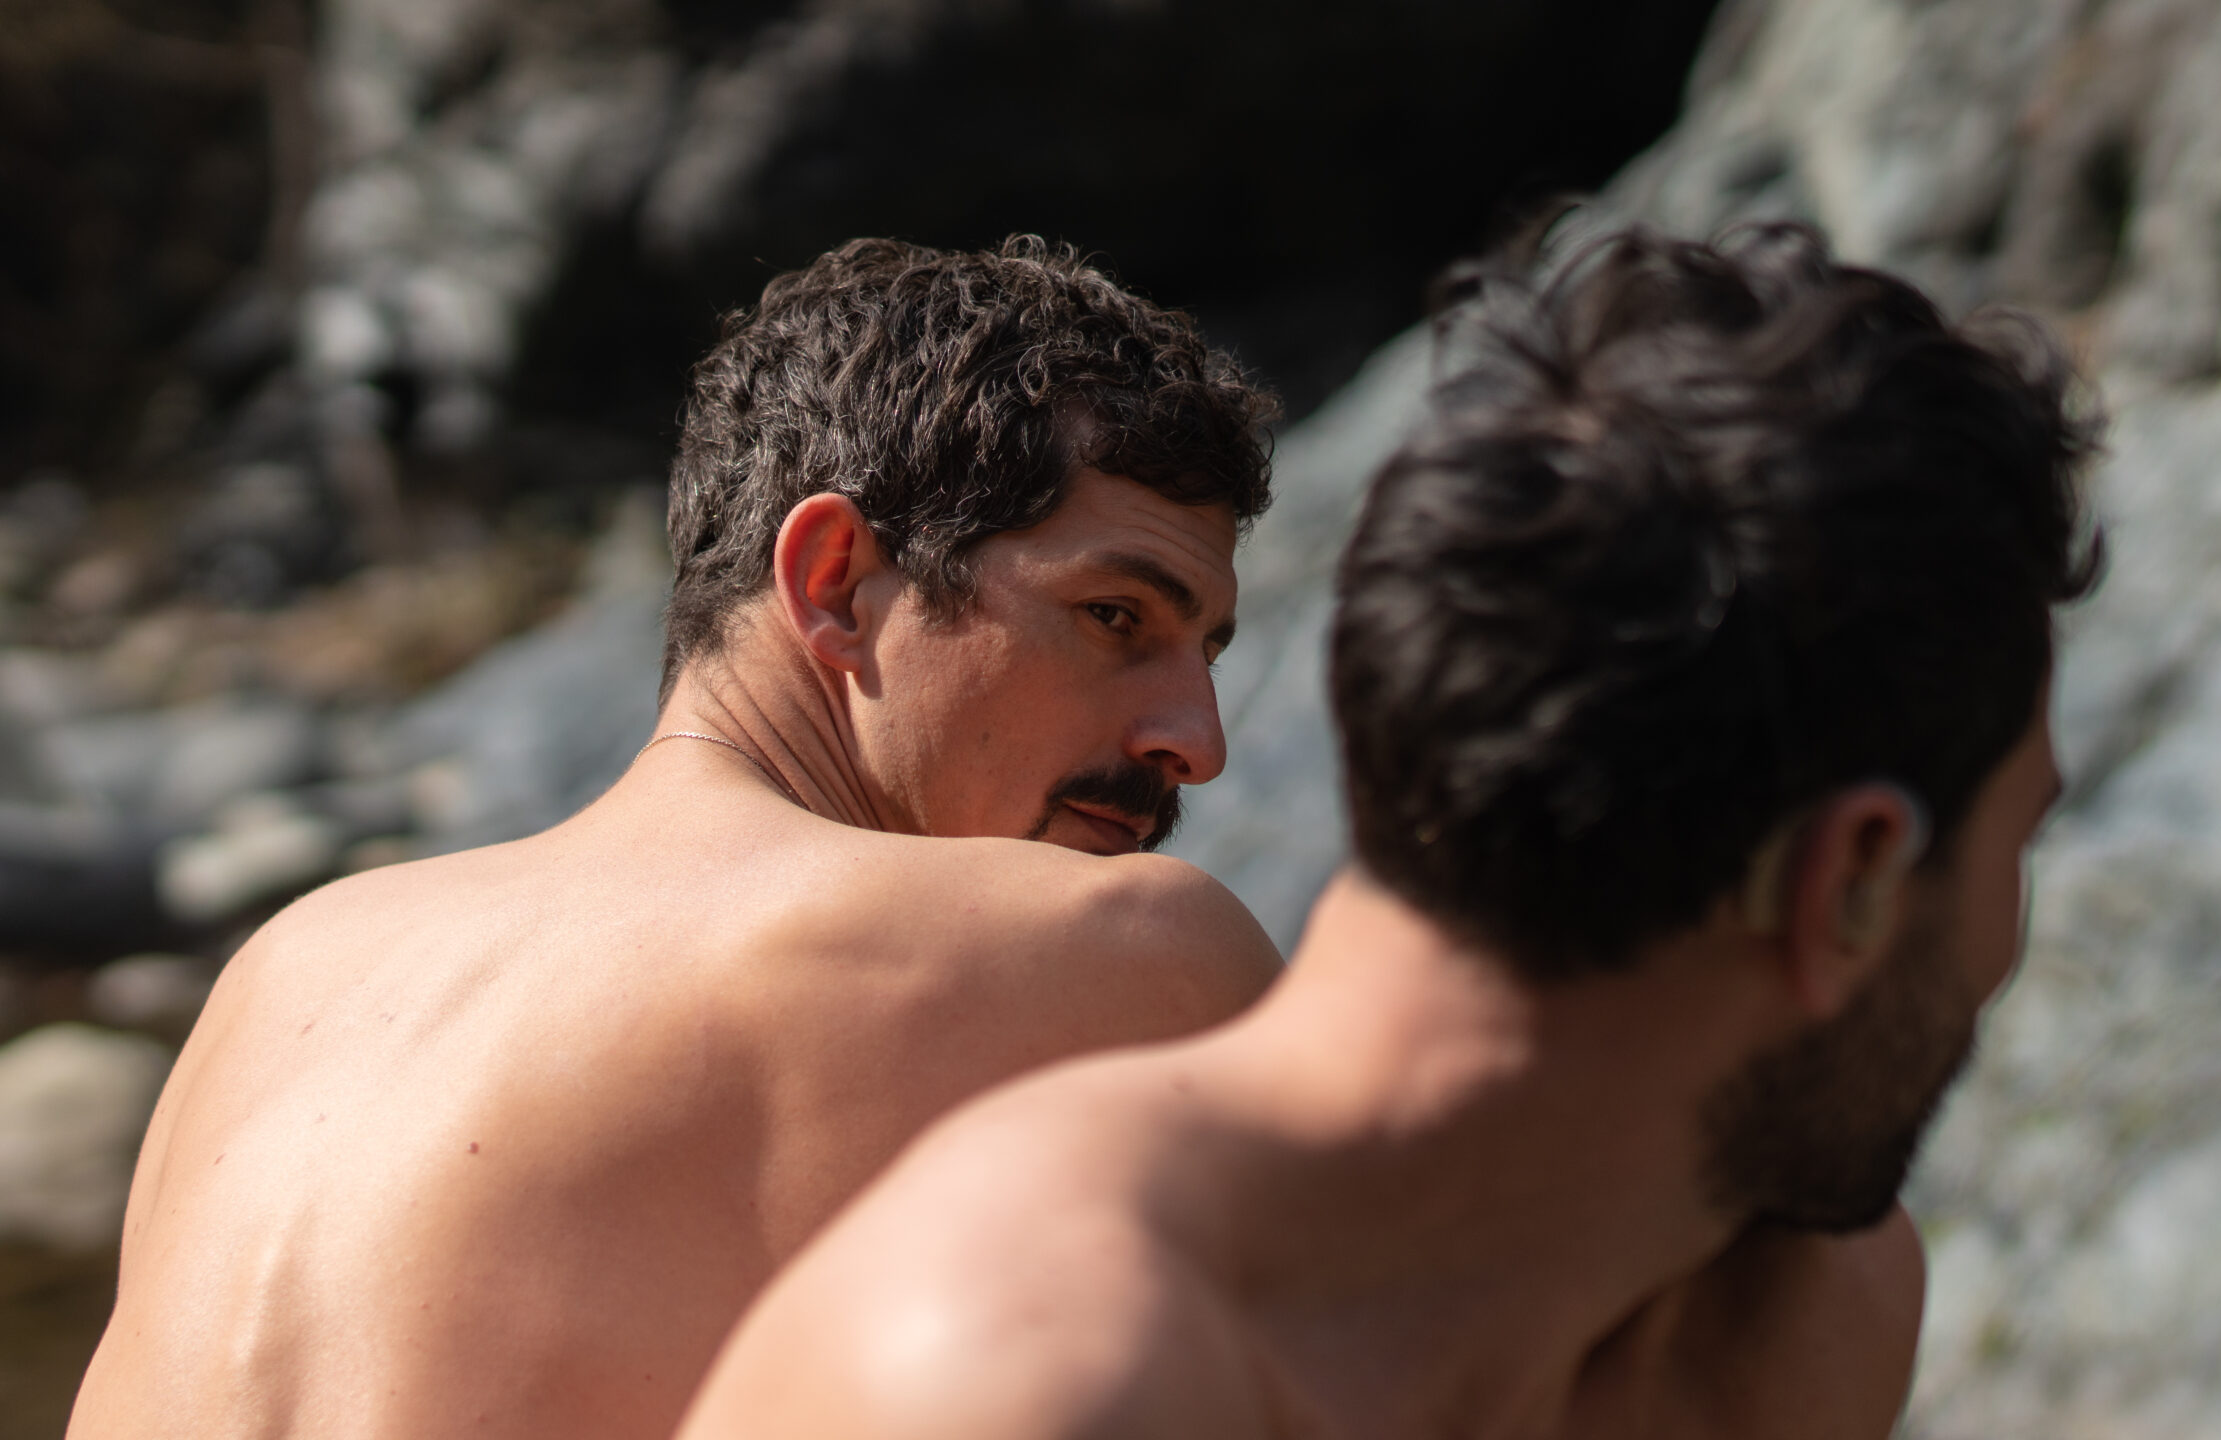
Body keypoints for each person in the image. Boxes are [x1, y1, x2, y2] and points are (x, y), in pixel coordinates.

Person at [677, 222, 2103, 1439]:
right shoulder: (1026, 1376)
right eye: (2016, 843)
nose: (2008, 946)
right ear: (1852, 879)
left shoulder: (1811, 1316)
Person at [69, 237, 1290, 1440]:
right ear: (834, 580)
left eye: (1207, 656)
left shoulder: (286, 973)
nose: (1197, 741)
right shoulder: (1121, 950)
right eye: (1114, 617)